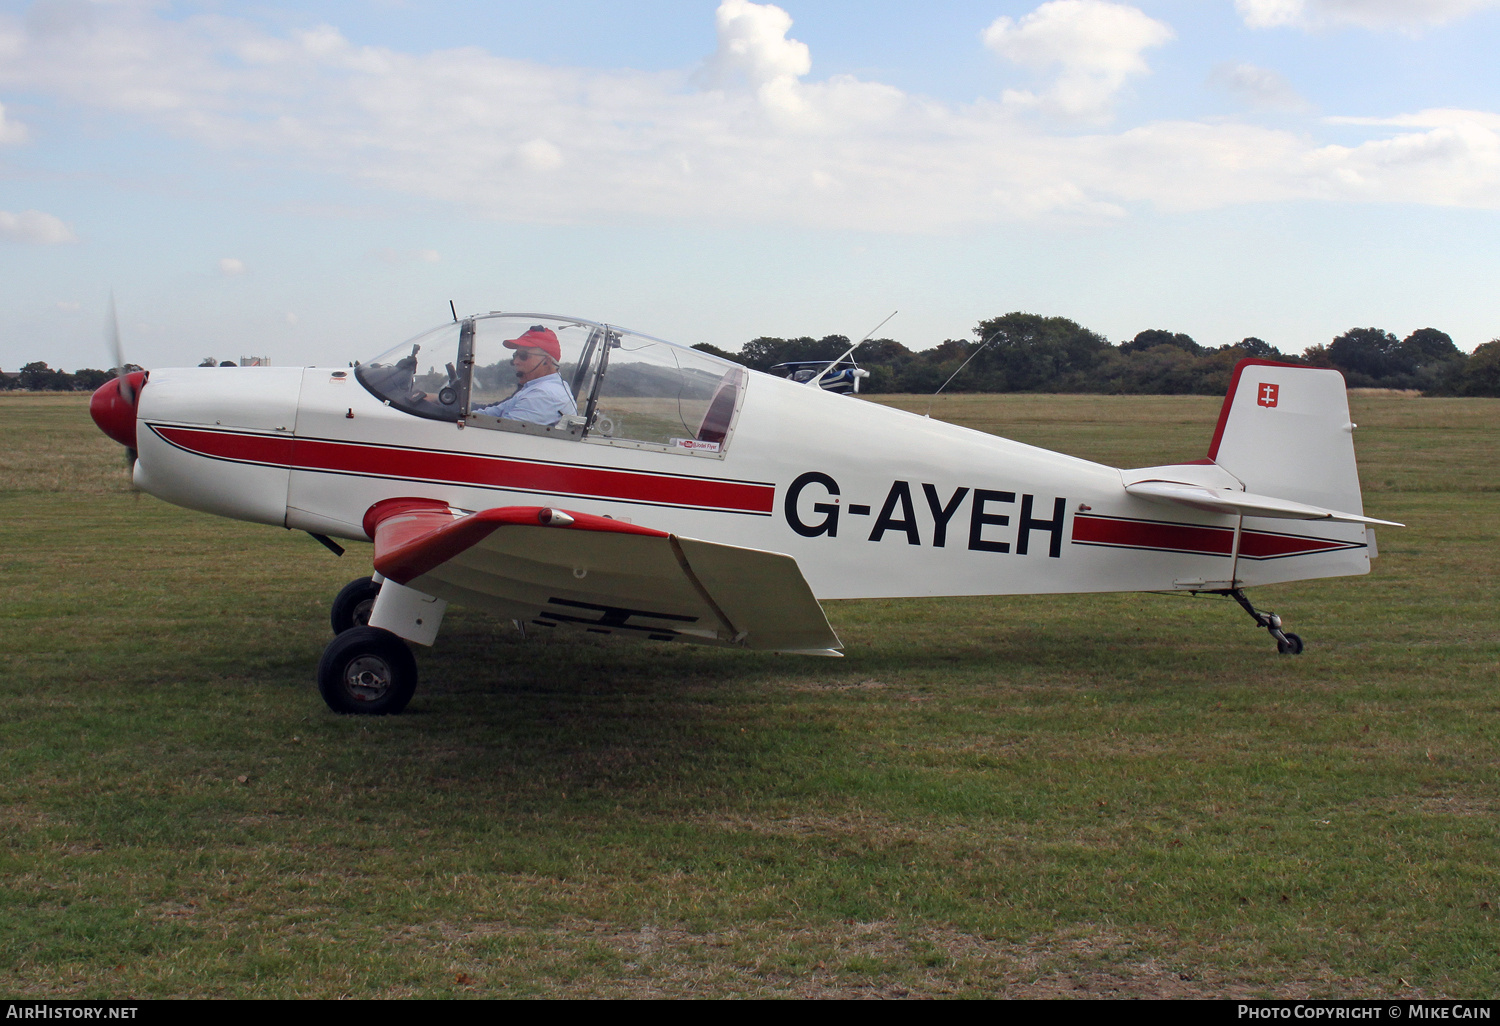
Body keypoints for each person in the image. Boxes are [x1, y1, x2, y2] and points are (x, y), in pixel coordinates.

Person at [474, 325, 578, 426]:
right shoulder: (533, 389)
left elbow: (501, 434)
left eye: (523, 356)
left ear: (546, 361)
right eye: (515, 355)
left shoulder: (543, 395)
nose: (515, 361)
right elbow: (492, 413)